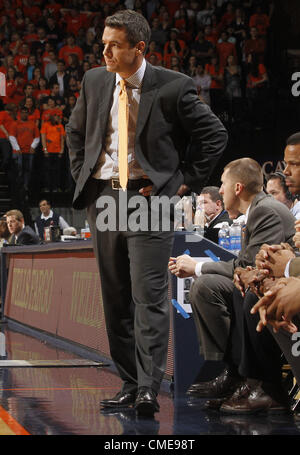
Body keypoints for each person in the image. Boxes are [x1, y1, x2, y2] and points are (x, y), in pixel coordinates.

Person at [66, 9, 228, 417]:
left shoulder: (174, 87)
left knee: (148, 296)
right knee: (116, 297)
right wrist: (85, 179)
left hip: (149, 200)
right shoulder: (94, 80)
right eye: (103, 42)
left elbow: (214, 135)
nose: (103, 50)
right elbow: (74, 132)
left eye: (113, 44)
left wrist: (181, 182)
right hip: (104, 198)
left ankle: (148, 390)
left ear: (138, 48)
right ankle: (128, 383)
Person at [169, 158, 295, 414]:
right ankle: (236, 373)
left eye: (223, 185)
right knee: (207, 286)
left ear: (237, 188)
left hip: (287, 287)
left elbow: (252, 268)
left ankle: (261, 383)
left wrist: (197, 267)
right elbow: (244, 265)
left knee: (234, 288)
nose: (221, 190)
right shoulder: (256, 210)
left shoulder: (265, 210)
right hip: (276, 282)